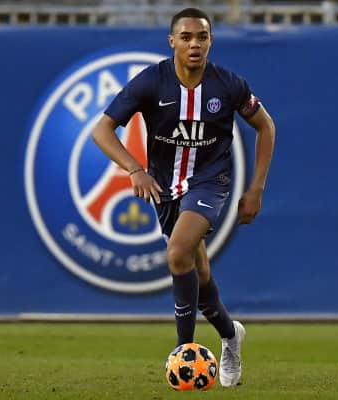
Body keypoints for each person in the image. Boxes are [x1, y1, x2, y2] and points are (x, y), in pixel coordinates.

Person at [92, 7, 275, 387]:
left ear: (211, 41)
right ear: (172, 41)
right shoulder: (151, 82)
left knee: (177, 253)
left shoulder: (228, 85)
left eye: (202, 37)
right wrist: (134, 168)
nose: (195, 44)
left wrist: (256, 188)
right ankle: (230, 335)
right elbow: (102, 130)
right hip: (164, 187)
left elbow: (266, 127)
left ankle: (184, 352)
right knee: (198, 271)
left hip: (210, 181)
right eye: (187, 37)